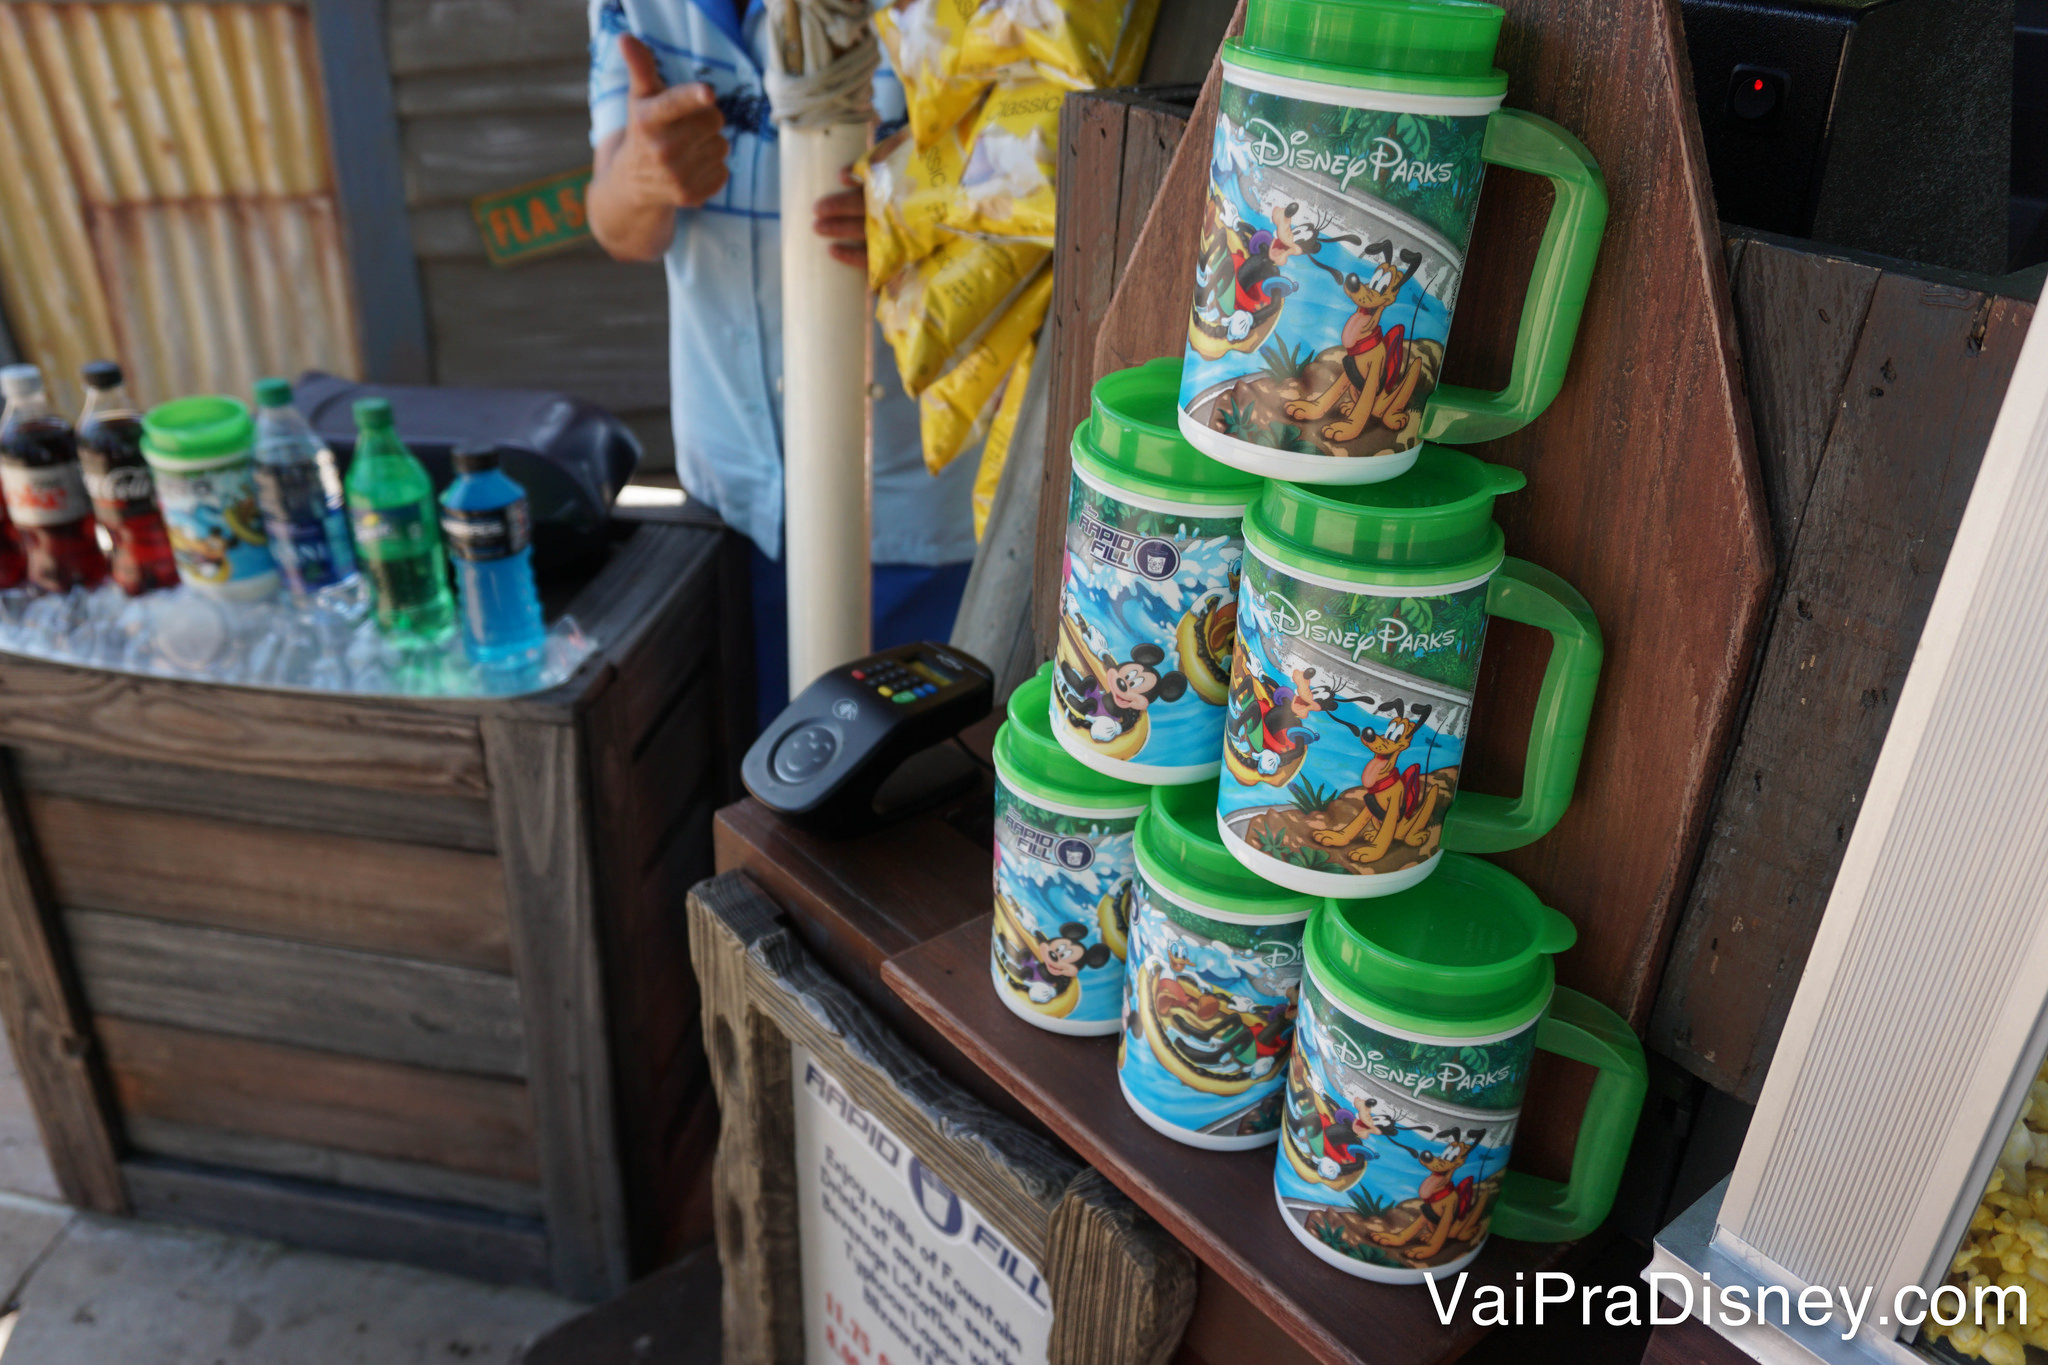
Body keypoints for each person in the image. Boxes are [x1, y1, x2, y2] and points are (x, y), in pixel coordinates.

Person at [586, 0, 979, 727]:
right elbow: (615, 221)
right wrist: (642, 177)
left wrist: (938, 197)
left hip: (918, 501)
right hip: (732, 493)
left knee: (917, 802)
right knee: (772, 791)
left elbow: (1046, 155)